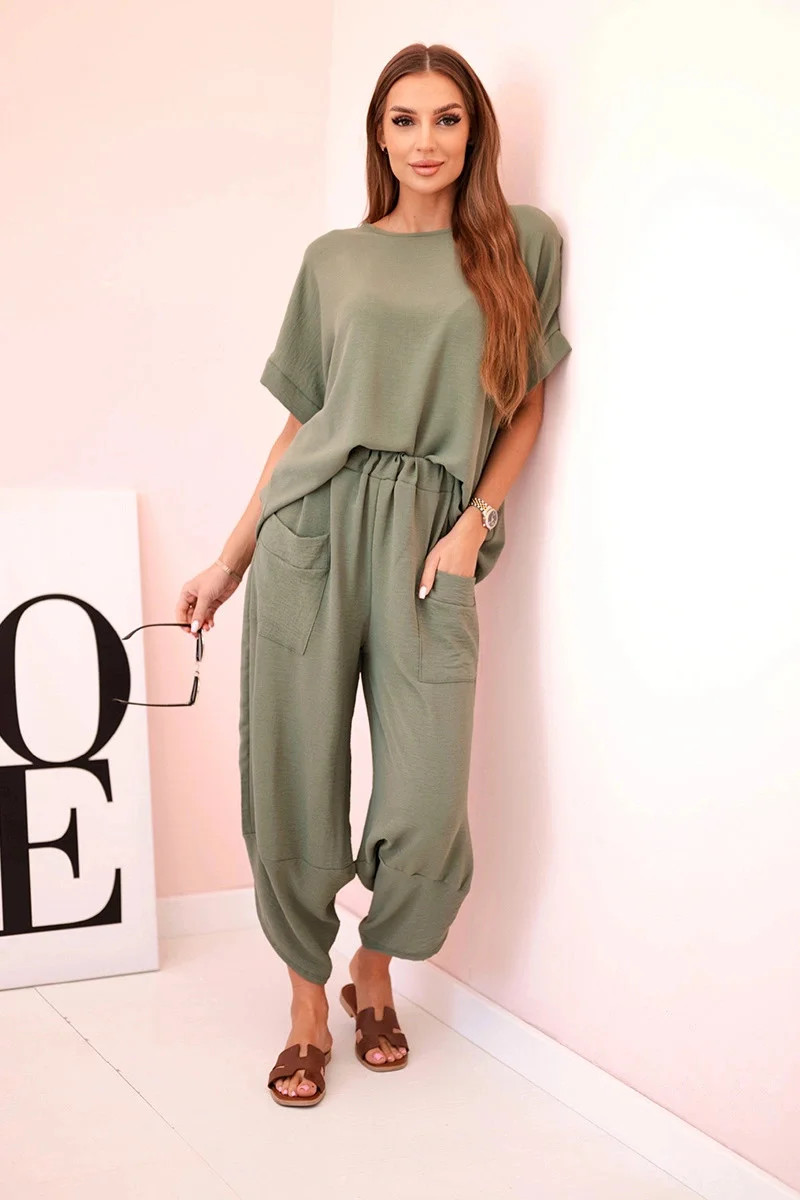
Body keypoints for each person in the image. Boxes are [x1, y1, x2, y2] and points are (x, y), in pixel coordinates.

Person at [176, 42, 572, 1107]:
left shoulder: (519, 244)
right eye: (404, 119)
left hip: (431, 538)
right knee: (294, 766)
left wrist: (474, 524)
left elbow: (527, 402)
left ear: (474, 132)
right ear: (379, 135)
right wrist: (228, 559)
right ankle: (309, 1003)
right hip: (310, 529)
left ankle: (376, 967)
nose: (425, 140)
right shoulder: (333, 260)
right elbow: (301, 426)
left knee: (427, 789)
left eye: (447, 119)